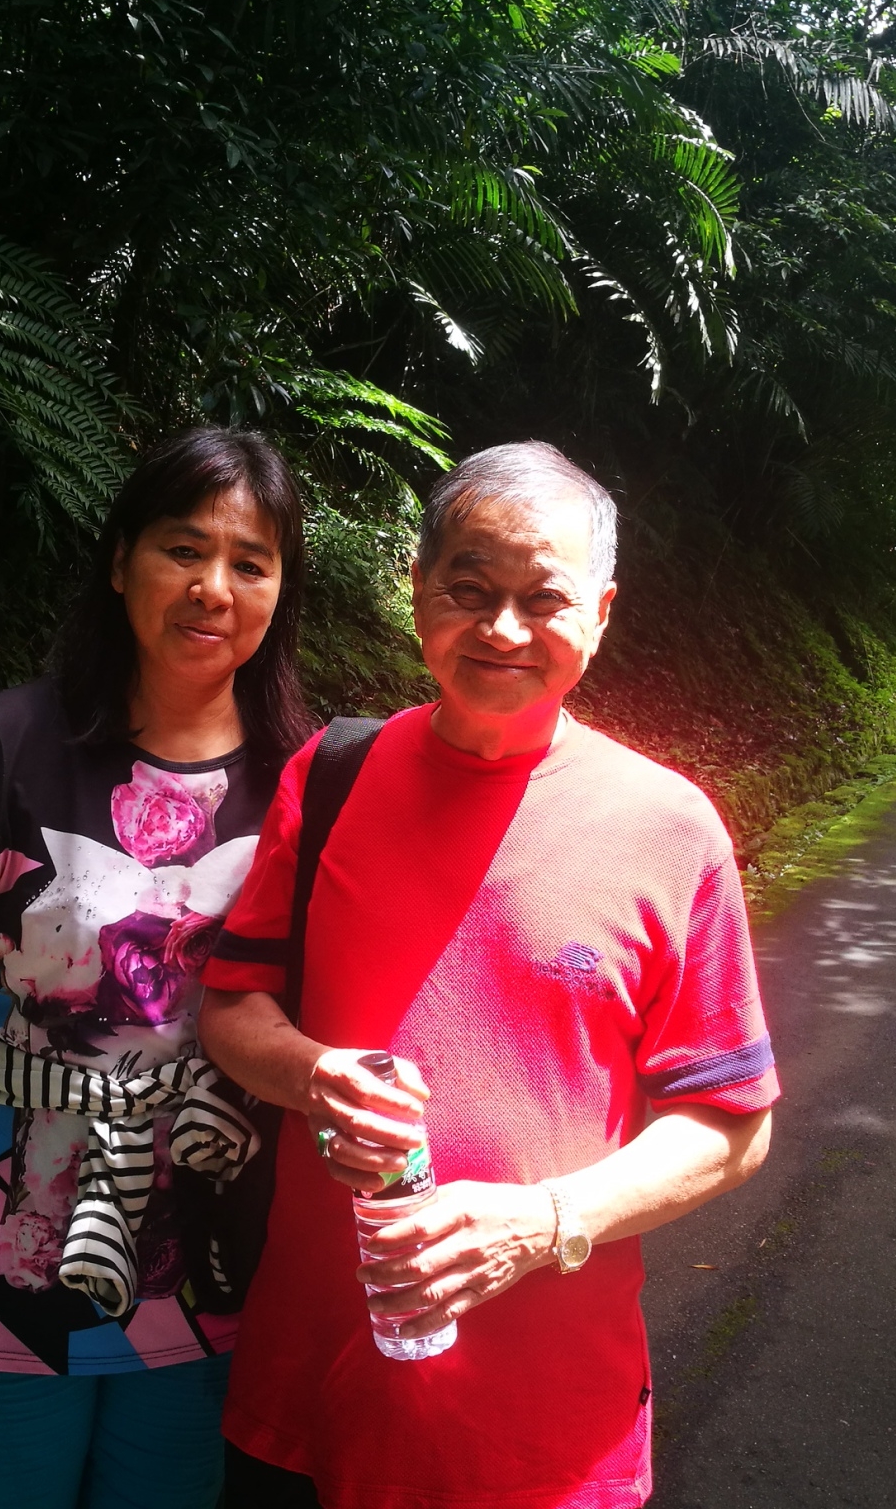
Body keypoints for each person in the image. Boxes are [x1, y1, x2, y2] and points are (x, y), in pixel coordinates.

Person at [198, 441, 778, 1509]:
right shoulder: (331, 775)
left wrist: (540, 1222)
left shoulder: (670, 828)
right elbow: (233, 1004)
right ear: (418, 589)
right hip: (306, 1398)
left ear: (599, 615)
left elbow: (731, 1127)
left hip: (541, 1440)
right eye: (469, 590)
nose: (503, 630)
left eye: (543, 599)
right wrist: (314, 1076)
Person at [0, 426, 315, 1509]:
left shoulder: (305, 780)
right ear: (121, 559)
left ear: (279, 592)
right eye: (184, 549)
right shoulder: (17, 740)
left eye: (250, 562)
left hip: (206, 1250)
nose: (213, 587)